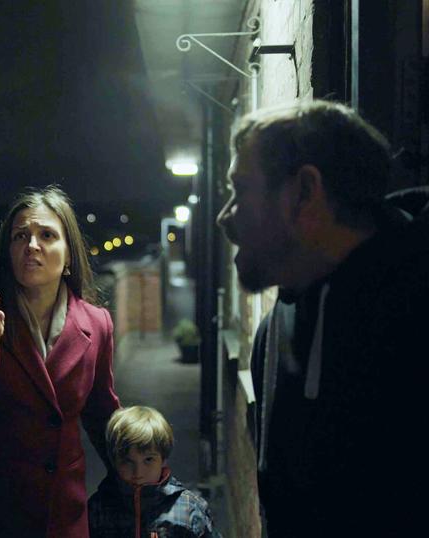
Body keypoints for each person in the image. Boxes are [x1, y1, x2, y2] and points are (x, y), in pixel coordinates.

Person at [216, 100, 429, 536]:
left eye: (240, 190)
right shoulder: (272, 336)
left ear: (305, 192)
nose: (225, 218)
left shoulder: (414, 317)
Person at [0, 185, 121, 537]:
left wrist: (139, 477)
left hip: (59, 515)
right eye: (19, 236)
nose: (31, 246)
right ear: (7, 251)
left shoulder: (97, 323)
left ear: (69, 255)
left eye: (47, 235)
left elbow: (101, 412)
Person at [88, 406, 219, 538]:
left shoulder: (189, 510)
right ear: (114, 461)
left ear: (163, 459)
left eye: (148, 459)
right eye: (127, 461)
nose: (138, 472)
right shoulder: (98, 508)